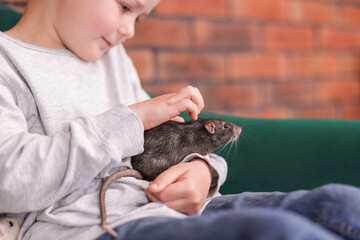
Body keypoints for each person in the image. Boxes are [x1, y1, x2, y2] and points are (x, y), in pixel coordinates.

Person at [0, 0, 359, 239]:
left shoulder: (114, 60)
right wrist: (134, 117)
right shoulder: (7, 63)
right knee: (276, 232)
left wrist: (204, 171)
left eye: (140, 17)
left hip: (175, 212)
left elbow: (156, 146)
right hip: (96, 229)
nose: (129, 30)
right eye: (125, 6)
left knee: (341, 204)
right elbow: (13, 182)